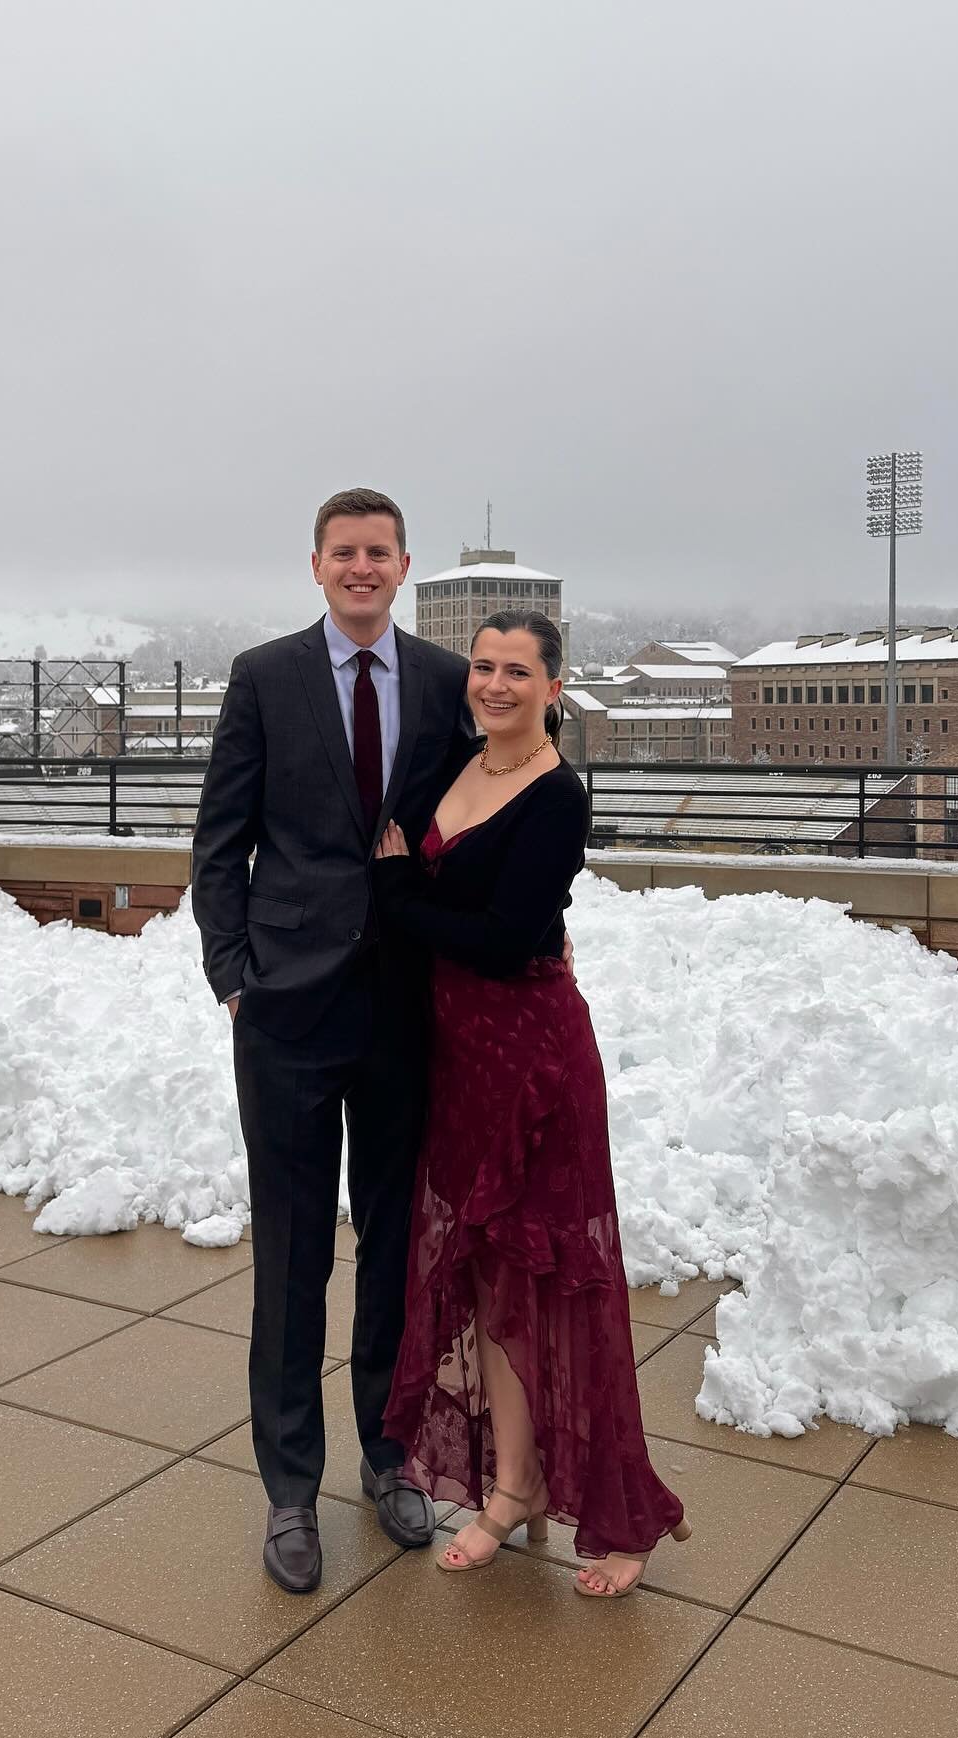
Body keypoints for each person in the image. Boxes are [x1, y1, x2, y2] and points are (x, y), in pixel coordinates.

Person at [190, 488, 475, 1594]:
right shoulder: (266, 678)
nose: (361, 570)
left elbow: (479, 829)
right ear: (316, 566)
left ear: (406, 567)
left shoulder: (450, 686)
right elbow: (220, 839)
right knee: (294, 1257)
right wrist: (232, 978)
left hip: (406, 1012)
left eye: (378, 554)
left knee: (399, 1255)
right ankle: (291, 1491)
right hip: (289, 1015)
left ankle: (391, 1458)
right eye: (343, 554)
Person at [372, 609, 690, 1597]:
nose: (495, 684)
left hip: (536, 1061)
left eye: (518, 670)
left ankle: (617, 1512)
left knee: (563, 1286)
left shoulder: (558, 799)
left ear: (555, 686)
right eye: (483, 666)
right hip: (459, 1058)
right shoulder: (453, 768)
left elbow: (508, 936)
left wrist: (393, 893)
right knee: (488, 1281)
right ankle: (510, 1489)